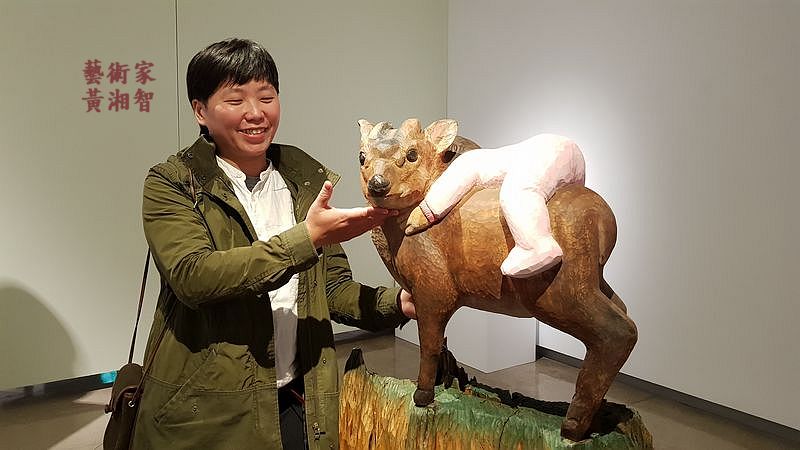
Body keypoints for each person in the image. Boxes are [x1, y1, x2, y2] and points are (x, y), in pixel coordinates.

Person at [131, 38, 415, 449]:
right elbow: (194, 277)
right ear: (200, 111)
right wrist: (307, 239)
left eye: (266, 97)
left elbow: (330, 291)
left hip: (300, 400)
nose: (255, 113)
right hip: (206, 413)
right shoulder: (173, 182)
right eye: (235, 100)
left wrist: (398, 303)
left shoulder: (302, 179)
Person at [405, 130, 585, 277]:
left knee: (516, 192)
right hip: (565, 153)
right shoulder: (492, 156)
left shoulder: (469, 160)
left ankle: (537, 246)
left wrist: (426, 211)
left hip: (549, 152)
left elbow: (449, 188)